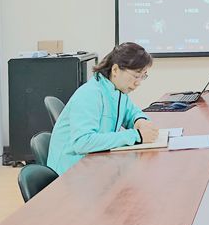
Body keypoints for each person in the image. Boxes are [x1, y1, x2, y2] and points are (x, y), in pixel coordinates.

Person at [47, 43, 159, 175]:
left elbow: (131, 112)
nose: (138, 83)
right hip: (71, 173)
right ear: (115, 70)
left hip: (96, 164)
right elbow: (82, 142)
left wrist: (140, 121)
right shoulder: (90, 94)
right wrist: (137, 136)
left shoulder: (118, 91)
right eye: (136, 75)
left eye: (143, 76)